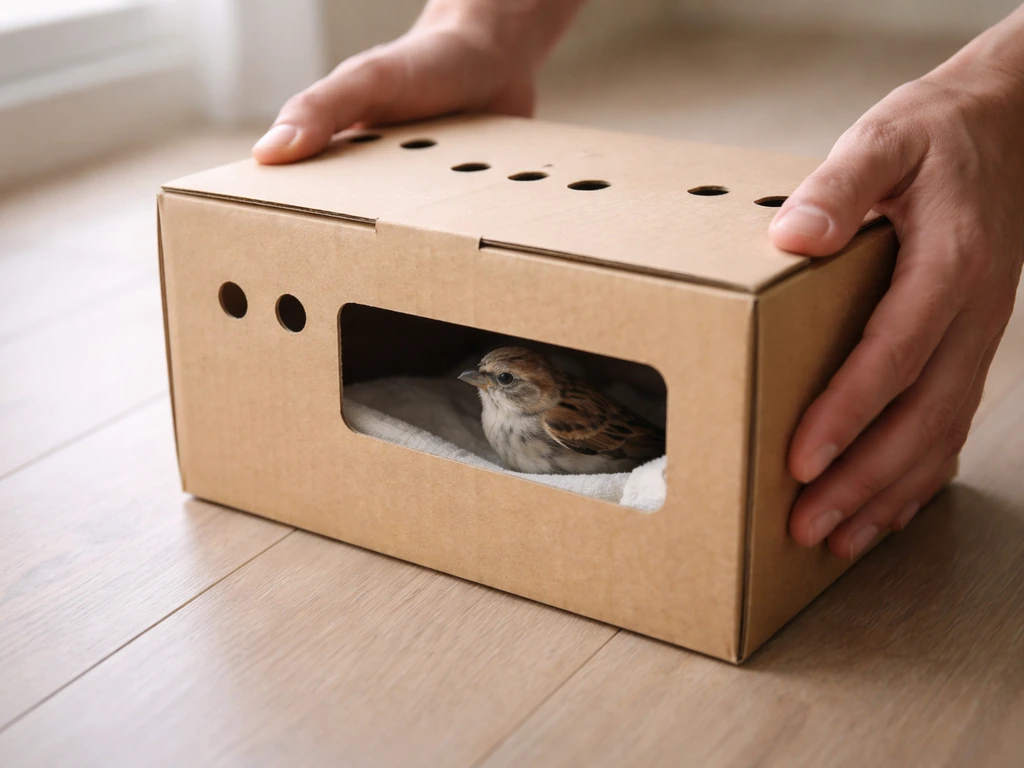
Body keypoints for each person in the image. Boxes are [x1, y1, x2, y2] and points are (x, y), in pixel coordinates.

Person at [251, 0, 1024, 560]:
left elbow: (633, 444)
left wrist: (997, 94)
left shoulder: (560, 421)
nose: (478, 379)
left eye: (499, 378)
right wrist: (483, 25)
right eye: (487, 373)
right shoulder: (510, 408)